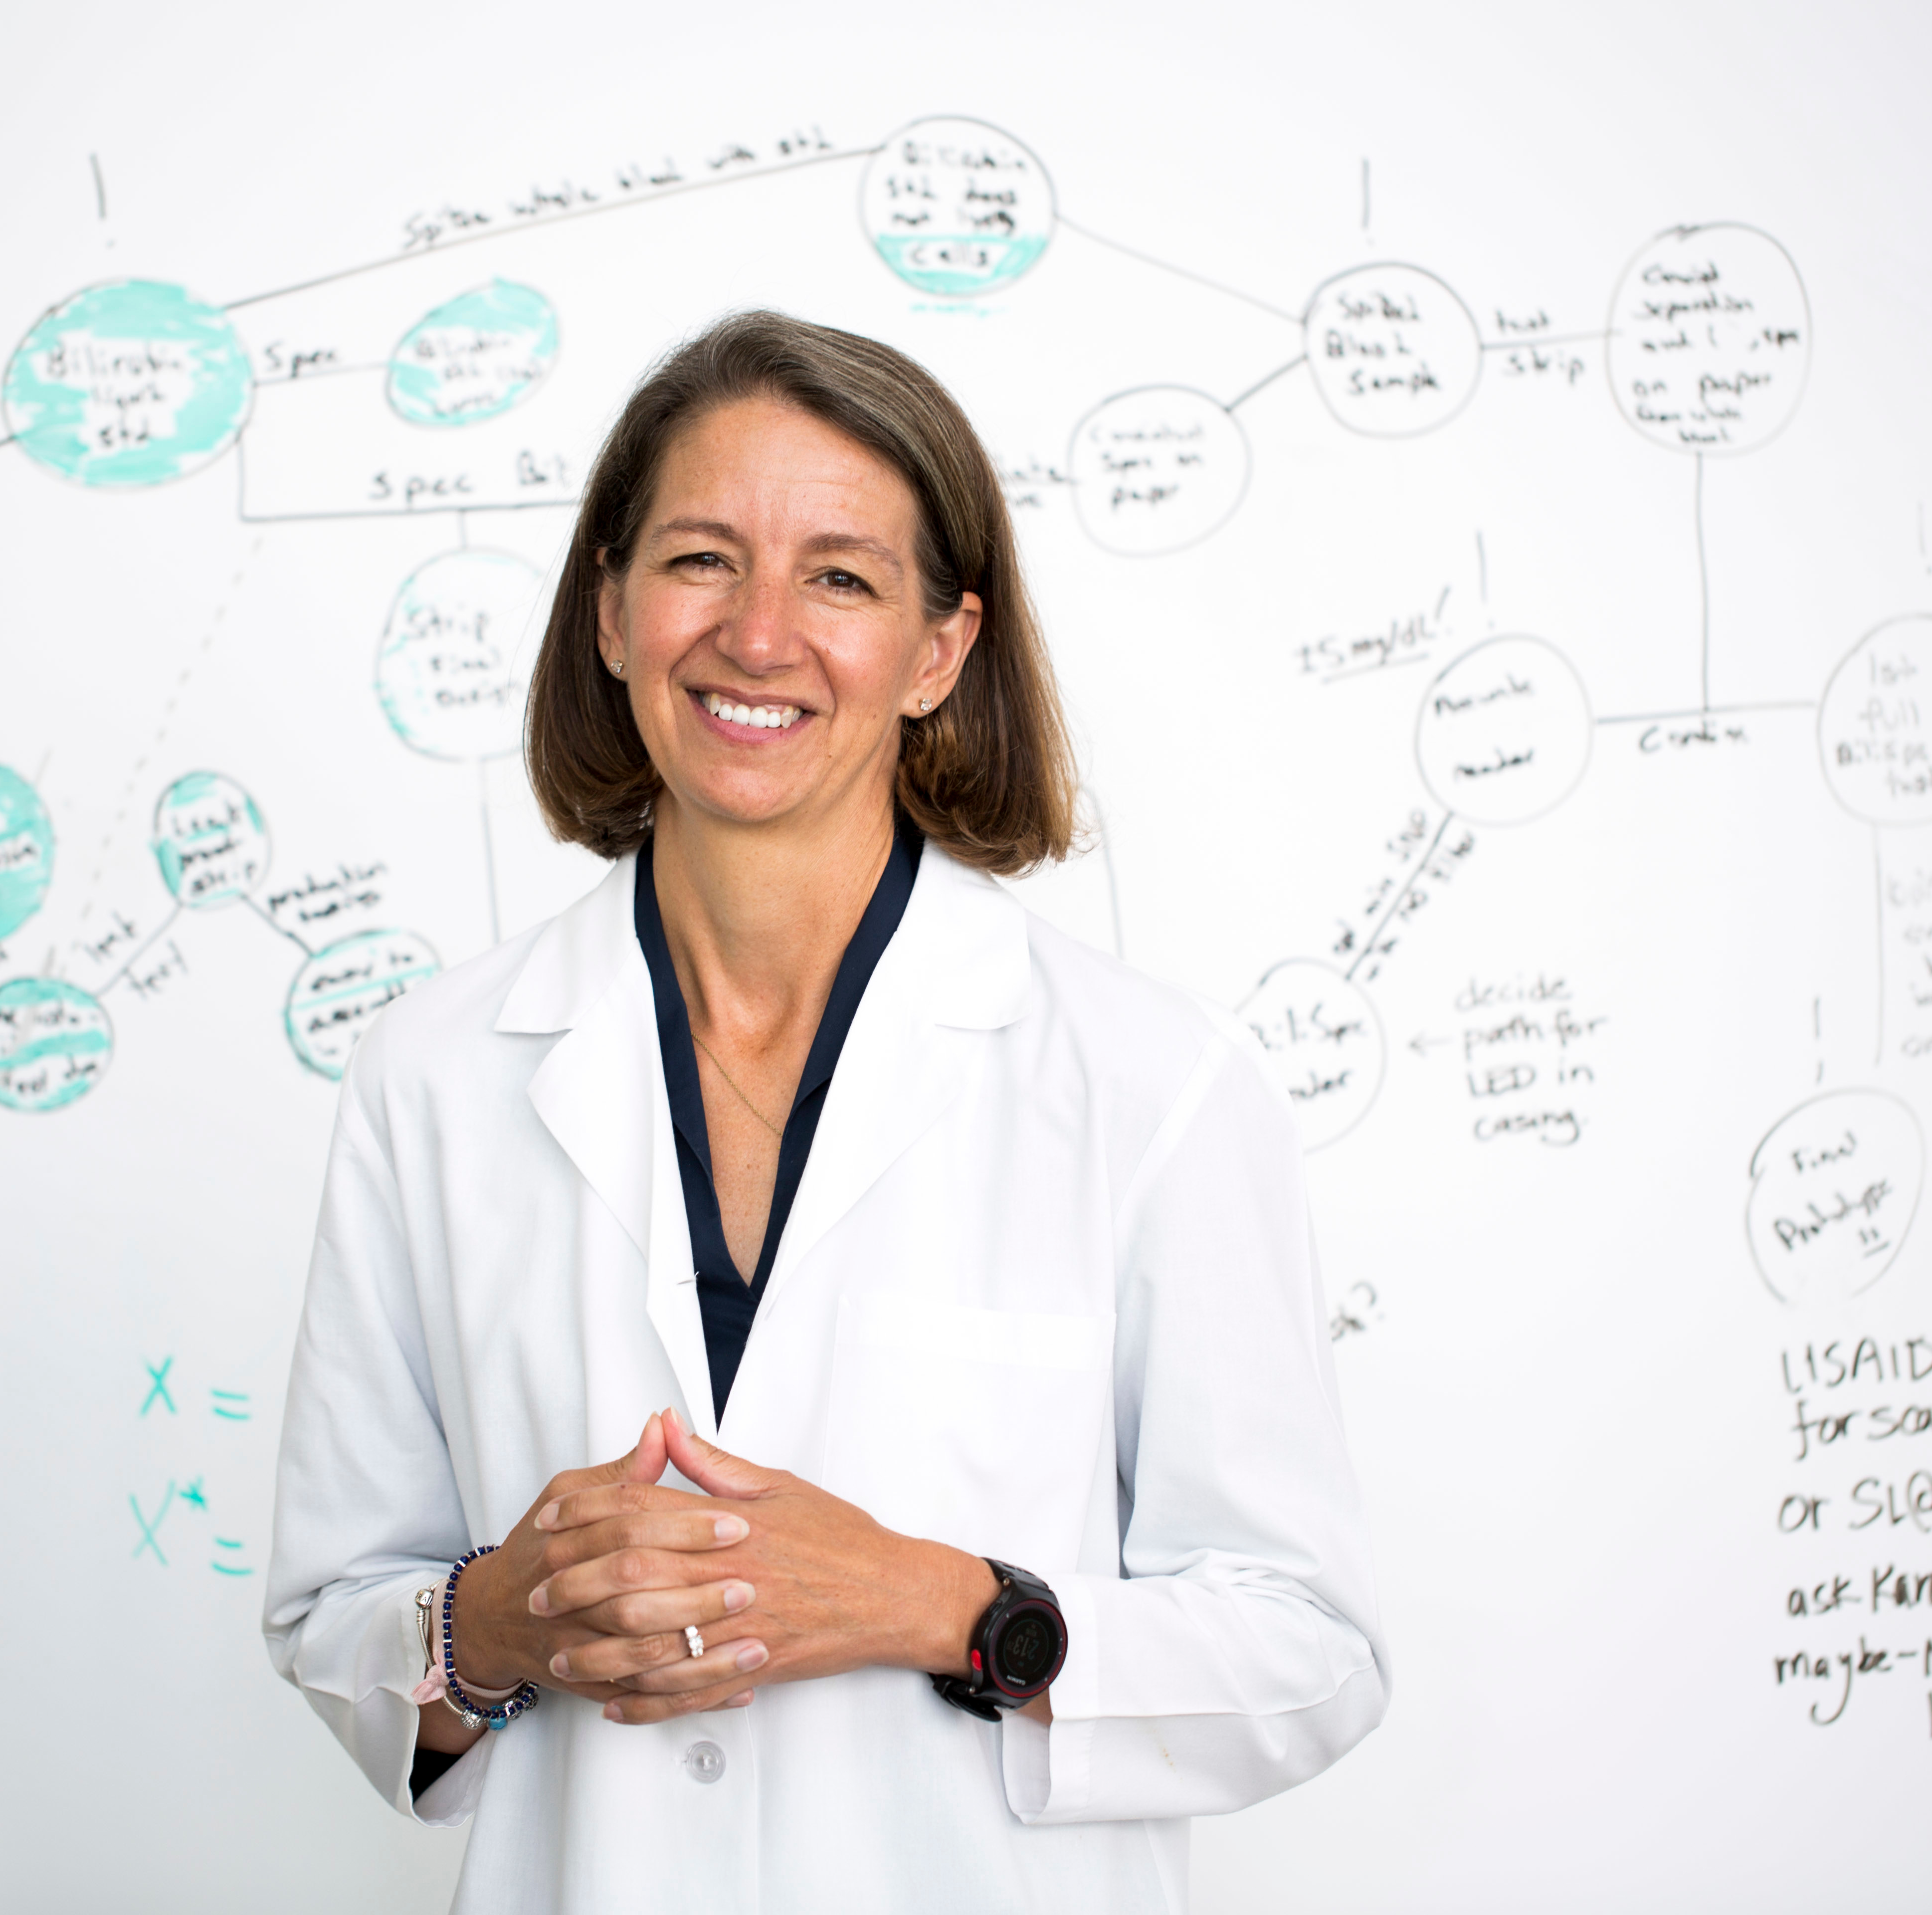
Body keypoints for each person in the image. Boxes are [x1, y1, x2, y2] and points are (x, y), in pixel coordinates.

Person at [264, 310, 1388, 1912]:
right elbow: (336, 1619)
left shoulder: (1147, 1085)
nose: (758, 634)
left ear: (940, 651)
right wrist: (499, 1622)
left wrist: (935, 1604)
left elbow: (1307, 1652)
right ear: (608, 609)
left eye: (842, 578)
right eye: (700, 560)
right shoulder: (432, 1074)